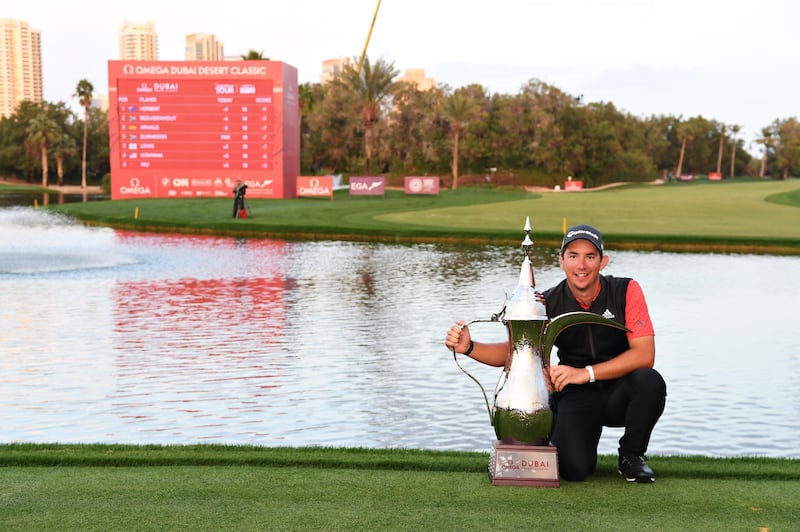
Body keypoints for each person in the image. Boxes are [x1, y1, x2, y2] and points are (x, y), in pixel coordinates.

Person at [444, 224, 667, 483]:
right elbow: (515, 352)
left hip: (620, 391)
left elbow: (644, 355)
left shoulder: (626, 290)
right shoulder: (548, 302)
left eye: (590, 257)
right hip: (575, 394)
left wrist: (586, 373)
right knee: (573, 469)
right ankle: (578, 443)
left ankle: (631, 455)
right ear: (561, 261)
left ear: (603, 262)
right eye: (573, 256)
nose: (581, 265)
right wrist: (469, 348)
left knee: (649, 381)